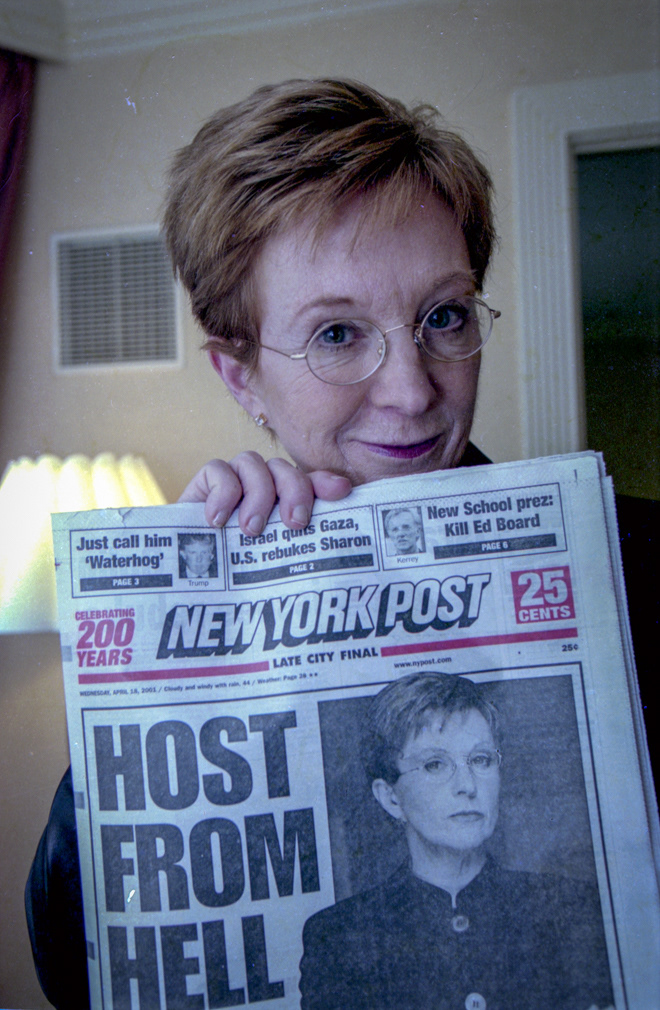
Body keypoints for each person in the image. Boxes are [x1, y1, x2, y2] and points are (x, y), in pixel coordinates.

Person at [25, 77, 655, 1008]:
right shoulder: (342, 934)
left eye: (444, 316)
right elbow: (76, 970)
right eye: (336, 333)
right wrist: (171, 652)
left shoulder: (635, 559)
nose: (412, 390)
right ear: (242, 379)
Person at [299, 673, 615, 1010]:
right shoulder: (337, 936)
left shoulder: (573, 908)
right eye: (435, 764)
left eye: (481, 760)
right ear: (390, 797)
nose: (467, 785)